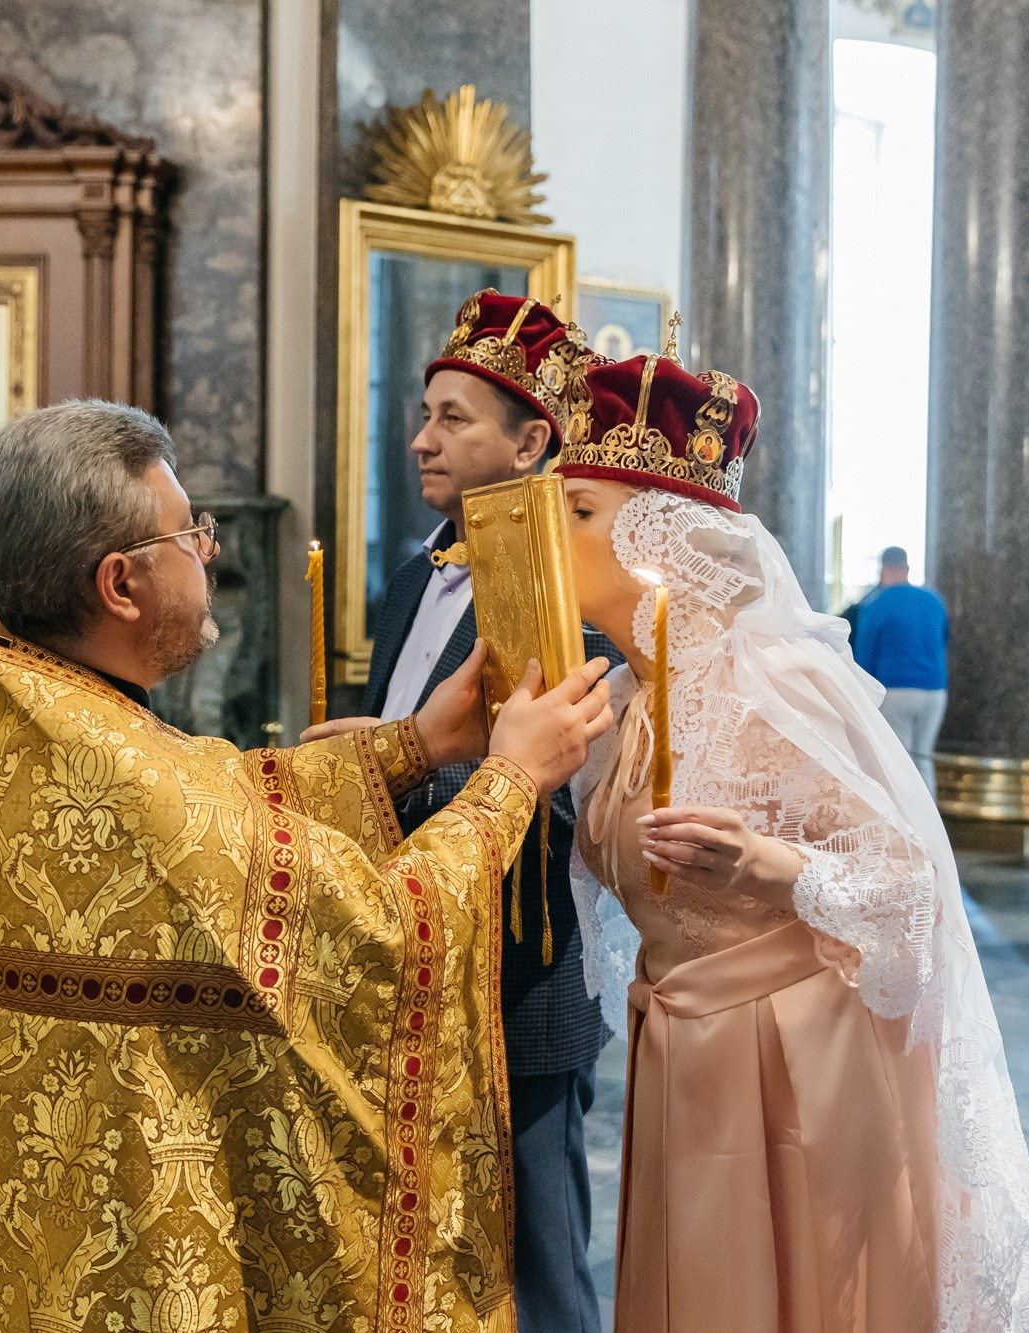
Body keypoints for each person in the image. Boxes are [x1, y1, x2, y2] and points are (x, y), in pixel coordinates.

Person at [0, 400, 614, 1331]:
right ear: (121, 584)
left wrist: (413, 745)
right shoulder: (133, 783)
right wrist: (513, 778)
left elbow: (229, 793)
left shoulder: (20, 725)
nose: (208, 551)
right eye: (188, 532)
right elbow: (380, 926)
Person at [557, 351, 1029, 1332]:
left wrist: (772, 868)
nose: (553, 532)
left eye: (579, 510)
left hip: (796, 1072)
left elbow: (908, 887)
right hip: (686, 1058)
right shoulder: (622, 701)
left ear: (652, 535)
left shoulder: (769, 686)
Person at [303, 290, 616, 1332]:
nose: (419, 440)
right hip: (413, 954)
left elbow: (562, 792)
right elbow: (418, 727)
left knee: (540, 1265)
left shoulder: (569, 596)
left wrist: (393, 768)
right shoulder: (412, 575)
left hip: (517, 974)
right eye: (422, 414)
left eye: (452, 419)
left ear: (531, 441)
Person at [851, 545, 949, 791]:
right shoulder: (933, 600)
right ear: (907, 568)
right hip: (935, 691)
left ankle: (906, 826)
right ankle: (931, 826)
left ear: (883, 569)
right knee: (923, 759)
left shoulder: (875, 604)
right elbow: (944, 640)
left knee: (898, 763)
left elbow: (865, 656)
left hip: (896, 691)